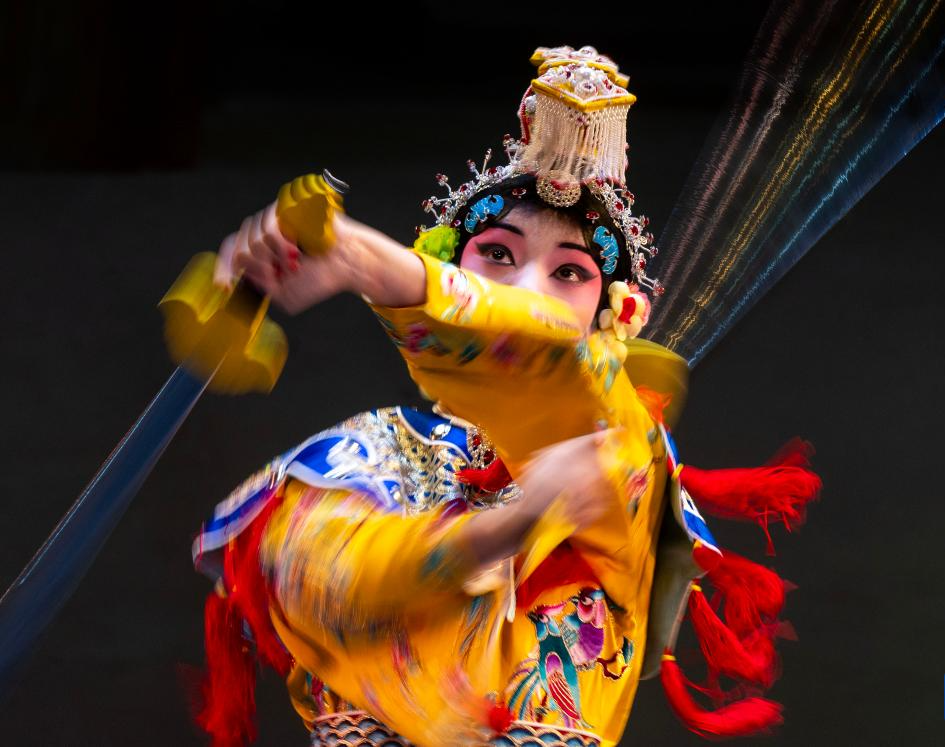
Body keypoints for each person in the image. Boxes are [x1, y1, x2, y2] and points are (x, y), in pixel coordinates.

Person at [190, 45, 822, 747]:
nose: (525, 290)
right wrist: (497, 530)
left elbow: (557, 360)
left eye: (569, 272)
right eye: (496, 254)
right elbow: (325, 578)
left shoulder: (619, 442)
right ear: (451, 261)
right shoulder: (372, 450)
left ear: (613, 316)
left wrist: (376, 267)